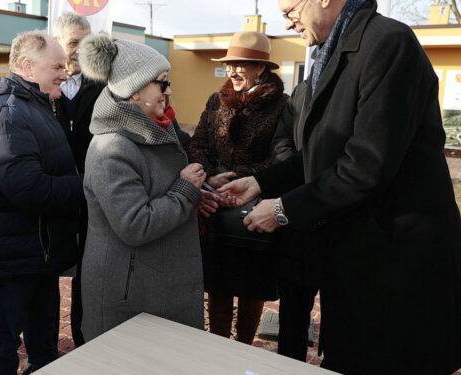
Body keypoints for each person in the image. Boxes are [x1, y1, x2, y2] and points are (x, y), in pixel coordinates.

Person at [220, 0, 461, 373]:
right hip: (357, 254)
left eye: (290, 6)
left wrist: (282, 210)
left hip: (395, 257)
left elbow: (366, 164)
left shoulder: (388, 43)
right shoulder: (330, 56)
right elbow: (318, 155)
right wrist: (260, 183)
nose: (286, 19)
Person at [78, 33, 207, 341]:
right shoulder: (111, 149)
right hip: (132, 302)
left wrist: (206, 187)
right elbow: (135, 224)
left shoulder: (151, 131)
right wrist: (187, 190)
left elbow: (162, 185)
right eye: (162, 82)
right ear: (134, 91)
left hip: (156, 292)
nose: (169, 90)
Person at [0, 30, 83, 374]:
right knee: (4, 342)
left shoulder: (36, 103)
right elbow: (28, 187)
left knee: (42, 335)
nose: (65, 73)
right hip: (14, 253)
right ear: (27, 67)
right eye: (57, 66)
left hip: (37, 251)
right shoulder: (7, 111)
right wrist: (88, 185)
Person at [188, 31, 287, 345]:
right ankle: (217, 349)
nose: (232, 71)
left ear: (260, 68)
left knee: (250, 289)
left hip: (252, 212)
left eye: (240, 64)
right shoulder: (215, 100)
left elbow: (281, 160)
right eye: (229, 64)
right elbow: (198, 145)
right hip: (216, 207)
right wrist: (211, 178)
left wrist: (242, 180)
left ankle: (243, 350)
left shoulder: (283, 106)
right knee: (216, 286)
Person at [51, 12, 104, 348]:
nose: (79, 49)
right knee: (45, 272)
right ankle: (42, 345)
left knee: (88, 272)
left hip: (92, 194)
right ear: (57, 43)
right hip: (52, 193)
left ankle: (83, 341)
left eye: (86, 42)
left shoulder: (104, 85)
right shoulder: (41, 88)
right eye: (73, 42)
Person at [270, 80, 319, 361]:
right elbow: (281, 140)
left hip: (341, 223)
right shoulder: (304, 89)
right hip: (297, 218)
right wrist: (301, 177)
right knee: (293, 313)